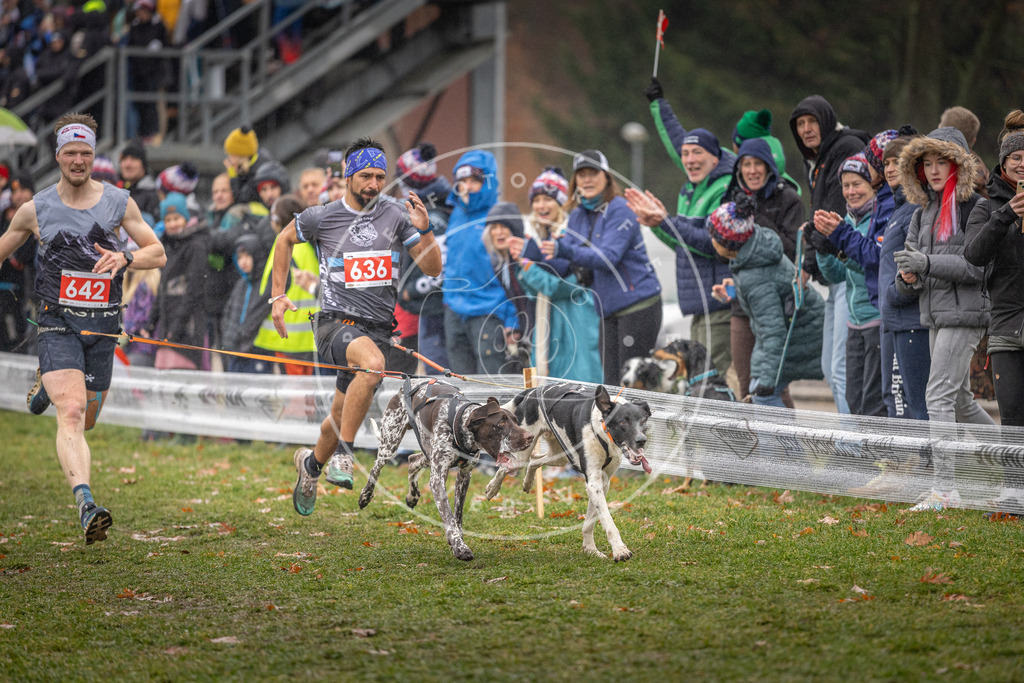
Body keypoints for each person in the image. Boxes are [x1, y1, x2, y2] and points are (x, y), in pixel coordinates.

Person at [0, 113, 165, 544]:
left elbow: (158, 252)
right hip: (57, 324)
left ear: (94, 156)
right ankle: (86, 503)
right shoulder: (34, 209)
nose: (78, 160)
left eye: (86, 153)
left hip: (105, 326)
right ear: (57, 156)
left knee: (87, 420)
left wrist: (126, 258)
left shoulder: (118, 202)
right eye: (70, 152)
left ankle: (44, 388)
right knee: (70, 412)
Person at [269, 138, 440, 514]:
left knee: (340, 413)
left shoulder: (396, 216)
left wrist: (425, 231)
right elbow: (283, 239)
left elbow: (432, 269)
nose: (373, 184)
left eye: (380, 176)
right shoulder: (322, 216)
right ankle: (345, 456)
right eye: (365, 176)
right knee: (374, 366)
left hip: (377, 328)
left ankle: (310, 465)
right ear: (348, 176)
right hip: (335, 325)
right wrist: (277, 295)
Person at [894, 127, 994, 511]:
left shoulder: (976, 207)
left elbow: (976, 268)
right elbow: (911, 275)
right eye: (927, 164)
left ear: (959, 163)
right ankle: (1015, 463)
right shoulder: (923, 212)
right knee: (960, 402)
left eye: (942, 162)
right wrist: (909, 276)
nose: (934, 171)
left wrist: (926, 264)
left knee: (937, 395)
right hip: (934, 315)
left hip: (966, 316)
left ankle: (945, 490)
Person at [644, 84, 736, 382]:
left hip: (720, 304)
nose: (689, 159)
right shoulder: (689, 189)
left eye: (698, 152)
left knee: (717, 382)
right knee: (701, 381)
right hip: (700, 304)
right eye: (685, 153)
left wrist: (665, 221)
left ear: (714, 158)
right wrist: (657, 224)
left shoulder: (724, 187)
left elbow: (711, 245)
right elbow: (684, 244)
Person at [789, 95, 870, 414]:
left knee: (840, 368)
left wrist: (811, 254)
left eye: (812, 121)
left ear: (826, 119)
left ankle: (853, 446)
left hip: (846, 269)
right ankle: (851, 441)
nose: (807, 129)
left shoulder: (844, 147)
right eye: (800, 124)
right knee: (830, 366)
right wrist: (809, 262)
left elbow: (832, 212)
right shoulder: (822, 157)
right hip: (833, 270)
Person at [552, 150, 662, 385]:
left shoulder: (621, 208)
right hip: (607, 312)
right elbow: (565, 265)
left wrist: (562, 248)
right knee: (611, 386)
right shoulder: (577, 215)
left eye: (593, 173)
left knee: (634, 388)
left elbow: (607, 257)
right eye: (581, 175)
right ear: (575, 182)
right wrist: (530, 252)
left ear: (607, 178)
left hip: (638, 307)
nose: (587, 179)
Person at [707, 197, 824, 407]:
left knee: (764, 393)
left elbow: (773, 331)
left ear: (728, 242)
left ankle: (781, 442)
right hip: (800, 330)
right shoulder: (756, 250)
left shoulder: (754, 277)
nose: (711, 240)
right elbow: (771, 295)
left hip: (802, 336)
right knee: (758, 389)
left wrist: (767, 382)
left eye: (713, 236)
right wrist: (737, 292)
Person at [723, 137, 804, 403]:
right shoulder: (730, 200)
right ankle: (755, 445)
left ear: (769, 166)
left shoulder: (788, 198)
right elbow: (724, 249)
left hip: (775, 305)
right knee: (745, 386)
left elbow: (793, 249)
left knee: (772, 385)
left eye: (758, 163)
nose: (753, 170)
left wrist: (754, 215)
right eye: (746, 164)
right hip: (742, 305)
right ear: (739, 169)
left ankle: (788, 445)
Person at [509, 167, 602, 383]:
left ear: (561, 203)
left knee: (580, 387)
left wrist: (526, 262)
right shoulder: (538, 239)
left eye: (548, 199)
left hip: (577, 322)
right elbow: (533, 291)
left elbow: (560, 286)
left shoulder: (572, 235)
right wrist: (522, 263)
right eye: (537, 200)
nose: (541, 205)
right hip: (548, 325)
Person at [812, 154, 885, 417]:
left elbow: (872, 264)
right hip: (854, 321)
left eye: (857, 184)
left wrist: (841, 249)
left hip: (876, 319)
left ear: (872, 184)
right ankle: (864, 454)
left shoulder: (879, 217)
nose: (851, 191)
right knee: (853, 398)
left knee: (874, 400)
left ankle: (877, 456)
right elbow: (837, 275)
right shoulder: (849, 219)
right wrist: (822, 249)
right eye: (846, 185)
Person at [442, 149, 518, 375]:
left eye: (474, 180)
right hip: (454, 311)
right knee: (461, 385)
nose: (467, 186)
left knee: (491, 388)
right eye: (462, 180)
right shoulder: (455, 215)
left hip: (489, 311)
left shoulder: (500, 216)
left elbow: (513, 271)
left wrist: (512, 318)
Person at [879, 128, 930, 420]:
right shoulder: (896, 211)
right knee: (896, 396)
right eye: (885, 163)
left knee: (912, 402)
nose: (889, 169)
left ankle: (924, 464)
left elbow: (917, 266)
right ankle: (910, 463)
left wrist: (894, 292)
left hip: (909, 317)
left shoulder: (915, 208)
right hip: (893, 316)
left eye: (896, 161)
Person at [395, 142, 451, 375]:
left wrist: (410, 290)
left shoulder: (433, 217)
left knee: (437, 376)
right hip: (427, 309)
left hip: (431, 310)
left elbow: (440, 266)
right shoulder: (432, 206)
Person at [145, 192, 210, 371]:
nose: (172, 224)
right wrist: (152, 322)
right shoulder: (169, 246)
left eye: (177, 218)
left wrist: (177, 325)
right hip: (169, 326)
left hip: (187, 328)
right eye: (168, 220)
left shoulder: (196, 246)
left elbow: (194, 290)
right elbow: (163, 289)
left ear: (186, 218)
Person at [0, 172, 36, 353]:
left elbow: (19, 259)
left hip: (26, 288)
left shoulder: (38, 214)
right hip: (7, 287)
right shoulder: (8, 218)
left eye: (23, 190)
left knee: (19, 338)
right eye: (15, 192)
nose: (18, 195)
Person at [223, 126, 275, 206]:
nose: (229, 159)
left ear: (241, 156)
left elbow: (242, 198)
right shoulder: (251, 166)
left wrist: (233, 176)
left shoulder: (259, 171)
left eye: (232, 155)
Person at [118, 141, 160, 225]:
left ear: (144, 165)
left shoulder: (153, 195)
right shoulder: (119, 192)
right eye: (124, 159)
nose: (128, 164)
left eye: (134, 159)